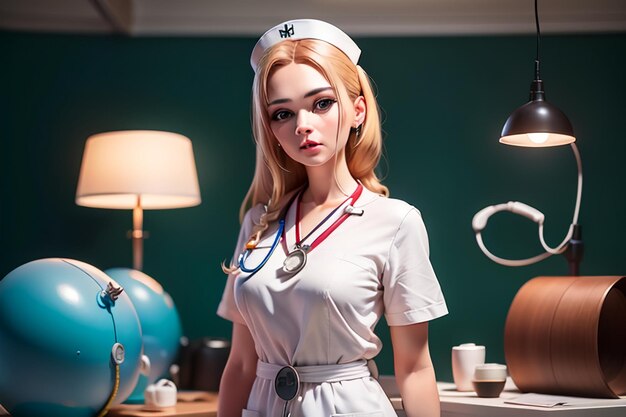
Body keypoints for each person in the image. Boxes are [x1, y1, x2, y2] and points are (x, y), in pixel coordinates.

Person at [217, 19, 448, 417]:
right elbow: (240, 363)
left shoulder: (395, 222)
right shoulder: (259, 223)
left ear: (357, 110)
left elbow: (414, 367)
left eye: (321, 103)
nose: (303, 125)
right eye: (282, 114)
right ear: (270, 129)